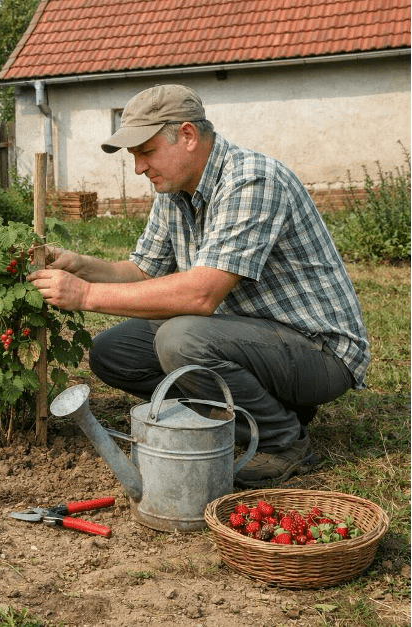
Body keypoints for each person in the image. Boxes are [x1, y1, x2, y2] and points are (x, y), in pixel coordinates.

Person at [26, 84, 370, 488]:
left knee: (180, 337)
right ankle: (257, 412)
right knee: (112, 353)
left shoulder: (252, 180)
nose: (138, 167)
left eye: (146, 152)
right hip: (249, 337)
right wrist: (83, 267)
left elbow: (201, 295)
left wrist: (85, 296)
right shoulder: (174, 191)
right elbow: (144, 271)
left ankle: (283, 442)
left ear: (187, 136)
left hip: (319, 351)